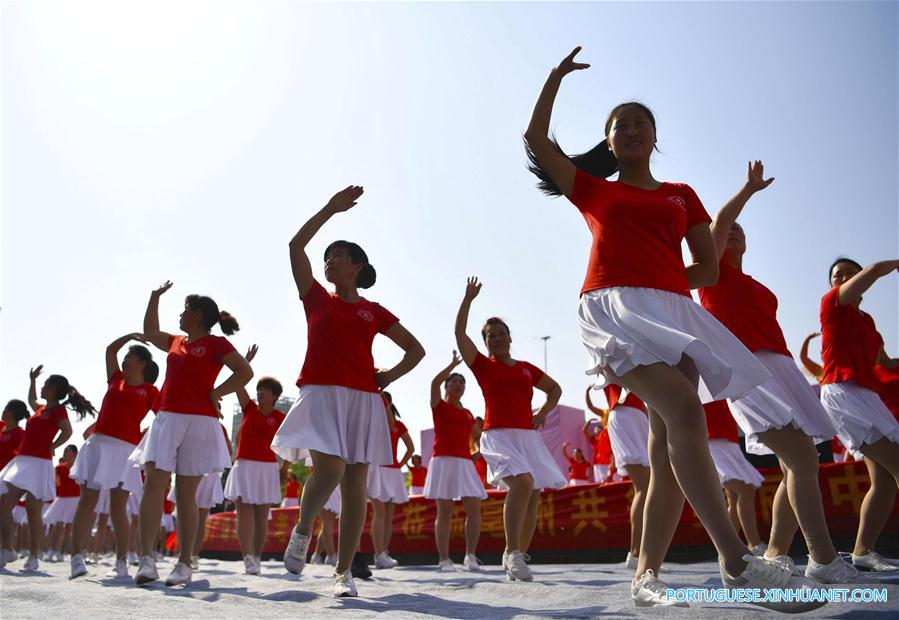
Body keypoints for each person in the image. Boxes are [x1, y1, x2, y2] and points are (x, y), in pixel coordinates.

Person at [524, 46, 823, 612]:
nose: (632, 130)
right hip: (615, 307)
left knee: (664, 452)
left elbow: (707, 269)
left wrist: (664, 278)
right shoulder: (595, 190)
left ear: (654, 137)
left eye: (641, 123)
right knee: (686, 408)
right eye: (620, 126)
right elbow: (538, 143)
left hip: (675, 311)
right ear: (609, 143)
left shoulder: (682, 195)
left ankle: (645, 576)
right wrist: (554, 80)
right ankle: (737, 564)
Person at [271, 185, 425, 597]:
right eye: (328, 256)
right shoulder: (316, 298)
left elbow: (416, 349)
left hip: (363, 398)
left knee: (357, 487)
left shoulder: (373, 310)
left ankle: (344, 573)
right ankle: (303, 531)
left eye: (337, 254)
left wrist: (389, 377)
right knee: (331, 469)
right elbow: (295, 245)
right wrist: (329, 210)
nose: (328, 260)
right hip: (321, 393)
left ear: (356, 266)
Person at [132, 282, 253, 586]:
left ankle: (185, 563)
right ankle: (146, 558)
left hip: (200, 421)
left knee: (186, 492)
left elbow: (244, 372)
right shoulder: (176, 341)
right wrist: (154, 297)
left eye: (185, 310)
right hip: (167, 417)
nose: (181, 315)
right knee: (155, 485)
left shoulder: (217, 344)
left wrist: (217, 393)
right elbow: (149, 332)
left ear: (197, 315)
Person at [455, 277, 566, 582]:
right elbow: (459, 334)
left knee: (533, 494)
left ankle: (518, 556)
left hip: (527, 437)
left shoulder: (527, 368)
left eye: (502, 334)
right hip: (497, 435)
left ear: (510, 338)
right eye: (491, 336)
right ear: (486, 343)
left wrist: (543, 411)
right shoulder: (482, 365)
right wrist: (468, 300)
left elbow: (555, 389)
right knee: (522, 484)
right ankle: (512, 551)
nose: (498, 339)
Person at [819, 257, 899, 573]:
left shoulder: (867, 322)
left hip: (867, 397)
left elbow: (885, 362)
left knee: (884, 482)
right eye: (838, 275)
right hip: (842, 392)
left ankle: (863, 552)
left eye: (850, 273)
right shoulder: (831, 304)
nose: (844, 278)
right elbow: (877, 269)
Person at [69, 333, 159, 579]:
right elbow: (110, 350)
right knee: (88, 499)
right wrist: (129, 337)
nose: (125, 360)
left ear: (142, 363)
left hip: (124, 450)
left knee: (118, 506)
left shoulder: (151, 391)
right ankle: (76, 557)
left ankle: (121, 561)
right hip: (98, 444)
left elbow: (164, 417)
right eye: (126, 356)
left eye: (131, 356)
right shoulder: (115, 379)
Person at [0, 368, 93, 572]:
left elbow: (67, 431)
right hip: (23, 461)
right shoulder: (41, 409)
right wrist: (32, 380)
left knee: (34, 511)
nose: (42, 388)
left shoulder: (58, 411)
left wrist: (53, 446)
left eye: (45, 385)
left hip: (39, 463)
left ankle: (33, 556)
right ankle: (7, 548)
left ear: (53, 389)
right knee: (4, 502)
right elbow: (32, 399)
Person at [224, 344, 287, 575]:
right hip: (245, 465)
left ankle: (257, 557)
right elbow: (238, 382)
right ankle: (247, 557)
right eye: (259, 389)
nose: (260, 393)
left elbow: (287, 445)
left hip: (268, 468)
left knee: (261, 516)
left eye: (265, 390)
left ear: (275, 396)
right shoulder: (249, 408)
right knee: (244, 513)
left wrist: (285, 468)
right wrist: (245, 363)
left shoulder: (281, 417)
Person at [424, 351, 486, 571]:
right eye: (454, 382)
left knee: (474, 508)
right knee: (445, 511)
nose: (458, 385)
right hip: (443, 461)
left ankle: (470, 555)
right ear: (446, 387)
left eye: (462, 383)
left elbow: (477, 437)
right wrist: (451, 365)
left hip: (464, 463)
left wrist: (477, 452)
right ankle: (444, 559)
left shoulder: (468, 413)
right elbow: (433, 382)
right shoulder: (439, 405)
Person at [587, 385, 649, 567]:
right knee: (644, 489)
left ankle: (646, 553)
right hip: (625, 415)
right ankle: (636, 553)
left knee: (651, 489)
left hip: (639, 416)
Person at [703, 401, 765, 555]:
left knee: (735, 497)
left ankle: (728, 548)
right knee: (745, 490)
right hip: (711, 440)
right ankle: (754, 544)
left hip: (728, 439)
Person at [367, 392, 414, 569]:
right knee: (379, 513)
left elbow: (411, 448)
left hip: (392, 471)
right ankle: (378, 553)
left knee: (388, 516)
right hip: (376, 469)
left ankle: (383, 552)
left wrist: (400, 464)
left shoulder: (397, 425)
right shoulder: (372, 423)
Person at [0, 400, 28, 567]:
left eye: (5, 409)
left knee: (4, 509)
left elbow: (23, 457)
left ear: (11, 412)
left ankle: (8, 548)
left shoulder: (20, 433)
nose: (3, 411)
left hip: (11, 477)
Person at [43, 446, 80, 562]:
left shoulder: (79, 467)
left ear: (74, 454)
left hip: (75, 499)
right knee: (57, 526)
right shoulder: (59, 468)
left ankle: (61, 552)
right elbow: (57, 484)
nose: (64, 454)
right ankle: (51, 550)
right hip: (62, 499)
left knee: (69, 527)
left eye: (66, 451)